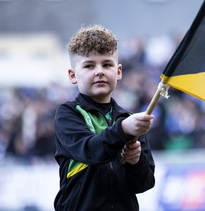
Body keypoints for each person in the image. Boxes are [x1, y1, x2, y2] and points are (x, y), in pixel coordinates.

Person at [54, 25, 155, 211]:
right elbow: (90, 151)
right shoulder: (67, 114)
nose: (99, 71)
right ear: (72, 75)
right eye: (89, 65)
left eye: (107, 64)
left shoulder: (129, 119)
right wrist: (123, 130)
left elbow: (144, 183)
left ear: (118, 72)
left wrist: (135, 162)